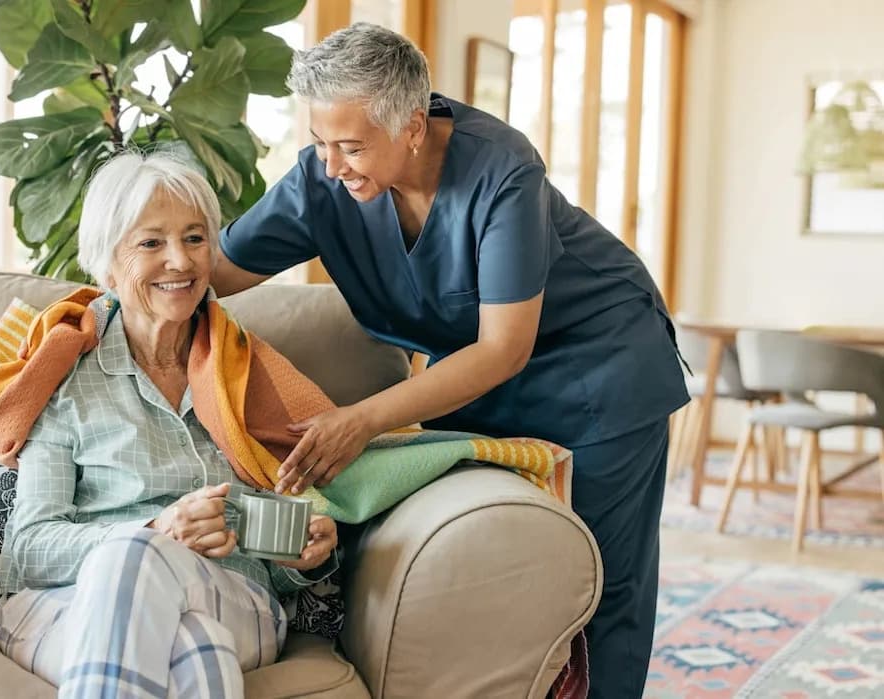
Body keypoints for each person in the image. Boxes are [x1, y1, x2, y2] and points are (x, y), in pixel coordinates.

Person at [211, 22, 689, 699]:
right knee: (496, 567)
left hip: (597, 369)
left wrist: (363, 420)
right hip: (472, 382)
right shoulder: (324, 183)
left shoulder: (501, 169)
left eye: (350, 145)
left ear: (411, 125)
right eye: (319, 142)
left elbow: (503, 345)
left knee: (601, 587)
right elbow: (210, 271)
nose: (331, 164)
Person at [0, 151, 339, 698]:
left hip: (234, 596)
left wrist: (306, 554)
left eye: (195, 238)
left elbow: (282, 554)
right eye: (151, 243)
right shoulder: (64, 378)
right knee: (194, 651)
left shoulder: (249, 376)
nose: (180, 261)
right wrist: (155, 532)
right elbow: (31, 548)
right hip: (67, 600)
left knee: (143, 569)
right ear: (107, 263)